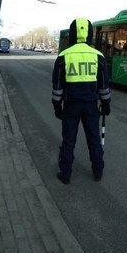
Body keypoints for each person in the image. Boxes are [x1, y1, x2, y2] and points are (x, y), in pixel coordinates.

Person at [52, 18, 111, 184]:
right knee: (94, 139)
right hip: (91, 106)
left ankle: (65, 174)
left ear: (72, 34)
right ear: (90, 34)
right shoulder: (99, 56)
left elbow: (57, 87)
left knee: (69, 140)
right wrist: (106, 105)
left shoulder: (63, 57)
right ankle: (98, 171)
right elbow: (104, 86)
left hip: (71, 106)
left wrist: (57, 107)